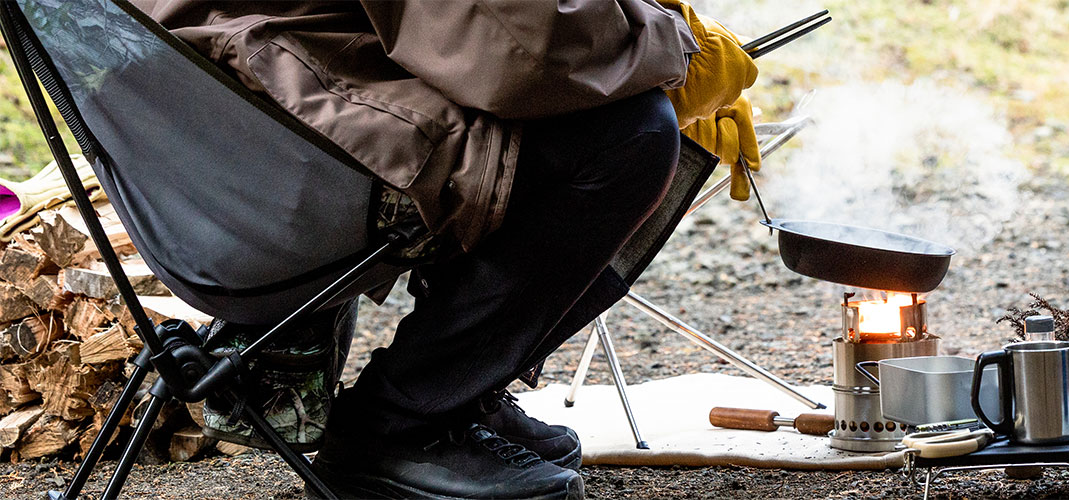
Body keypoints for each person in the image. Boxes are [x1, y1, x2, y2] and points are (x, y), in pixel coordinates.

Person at [133, 1, 763, 498]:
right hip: (289, 150)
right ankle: (403, 422)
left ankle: (464, 391)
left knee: (583, 113)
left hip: (193, 143)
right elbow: (526, 46)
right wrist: (677, 43)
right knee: (632, 134)